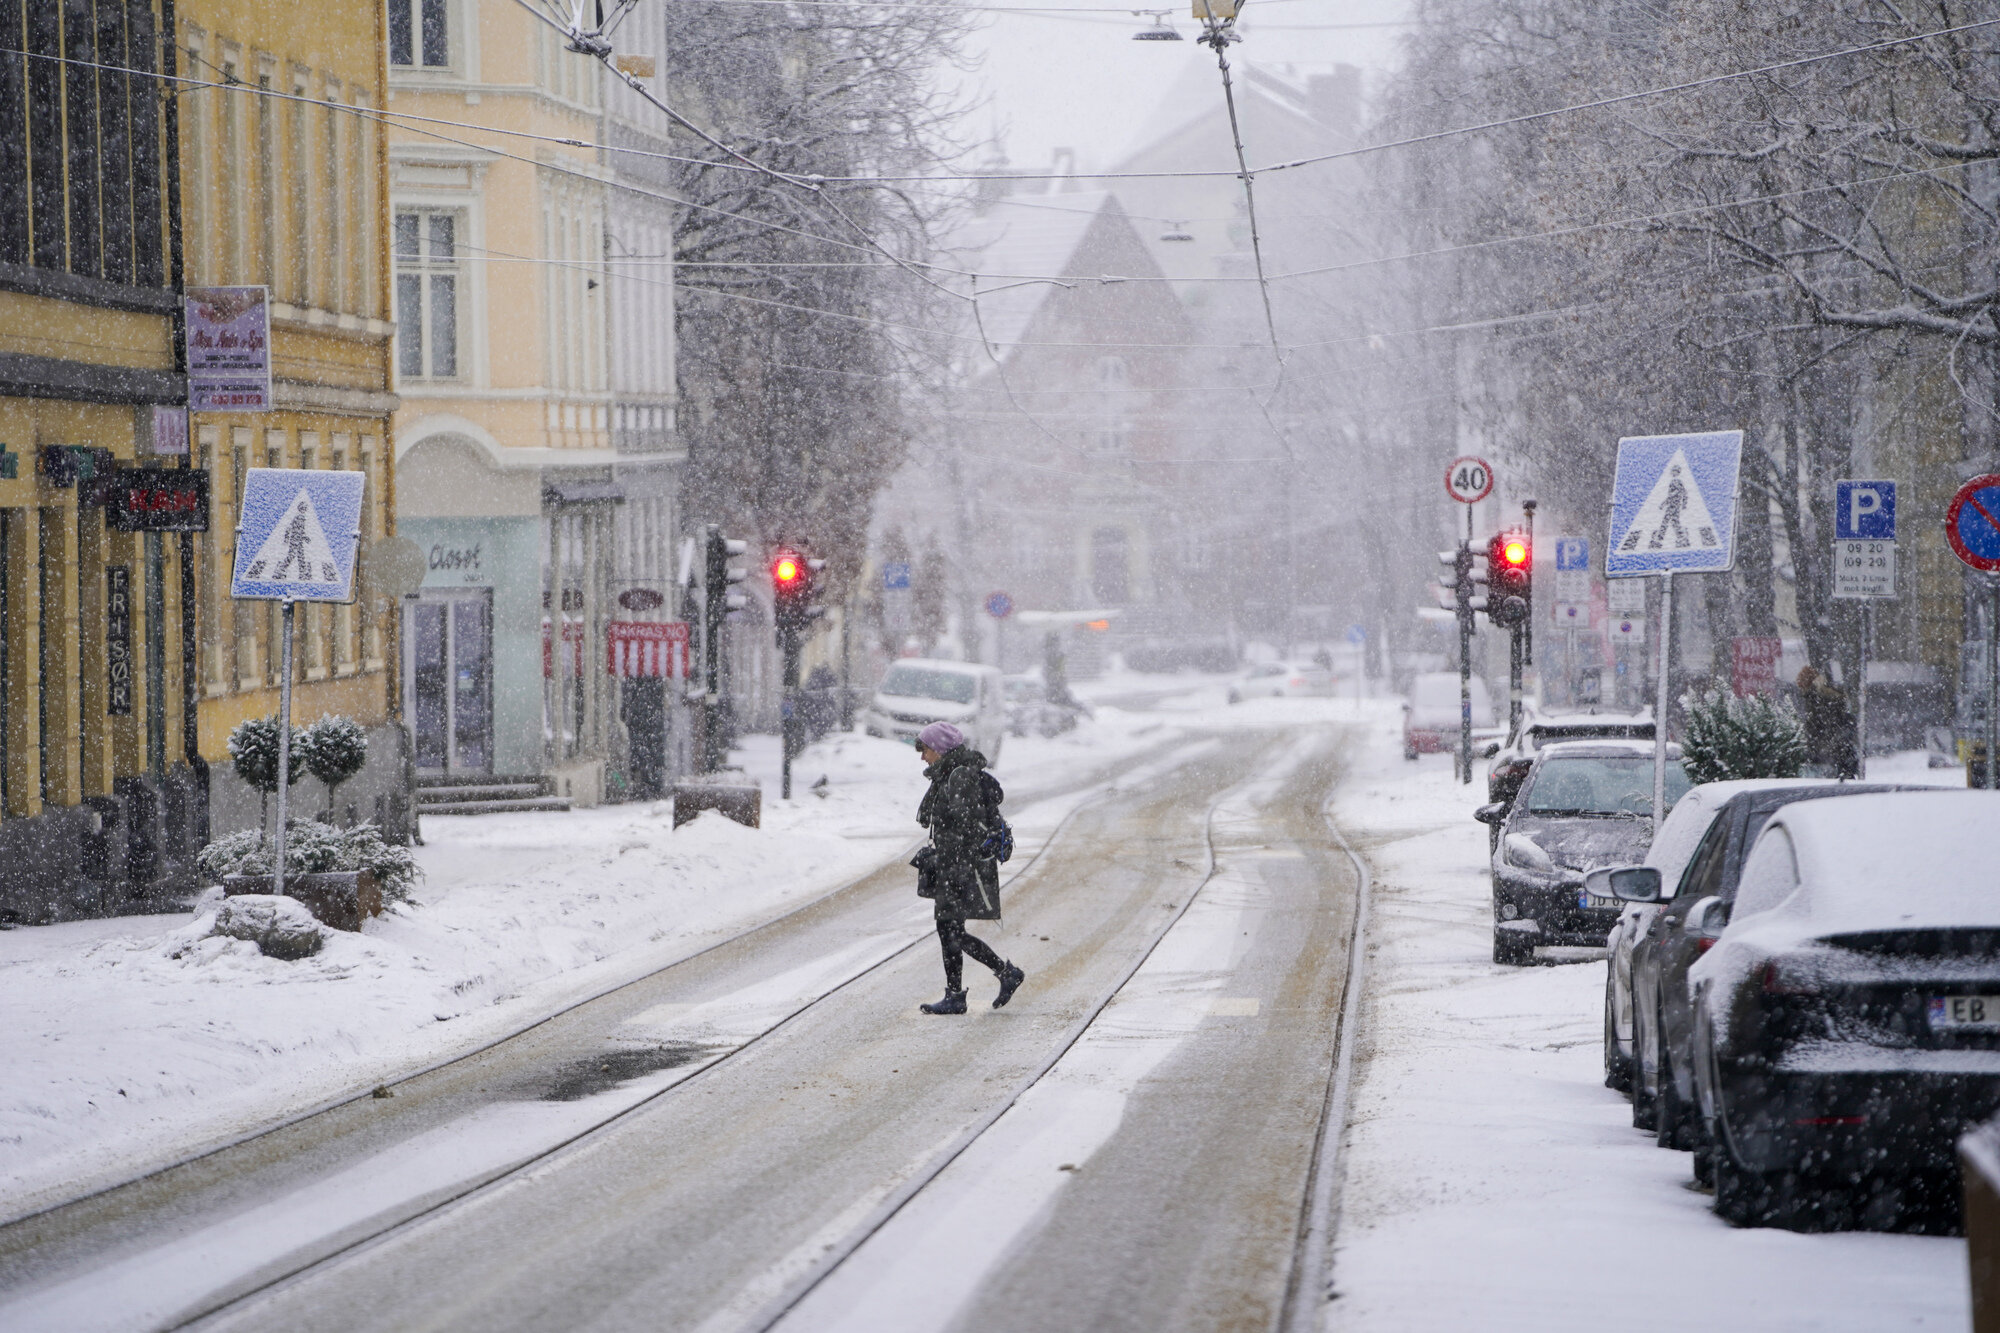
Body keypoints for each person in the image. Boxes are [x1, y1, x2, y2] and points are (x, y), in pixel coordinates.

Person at [912, 720, 1024, 1015]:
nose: (922, 756)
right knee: (950, 929)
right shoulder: (949, 773)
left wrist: (951, 857)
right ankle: (962, 992)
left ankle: (998, 976)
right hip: (954, 864)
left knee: (950, 930)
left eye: (925, 750)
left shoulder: (959, 776)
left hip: (960, 866)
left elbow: (968, 825)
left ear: (939, 749)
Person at [1795, 666, 1859, 779]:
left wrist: (1816, 745)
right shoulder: (1825, 694)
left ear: (1806, 683)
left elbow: (1819, 725)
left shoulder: (1816, 698)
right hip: (1839, 747)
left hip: (1830, 751)